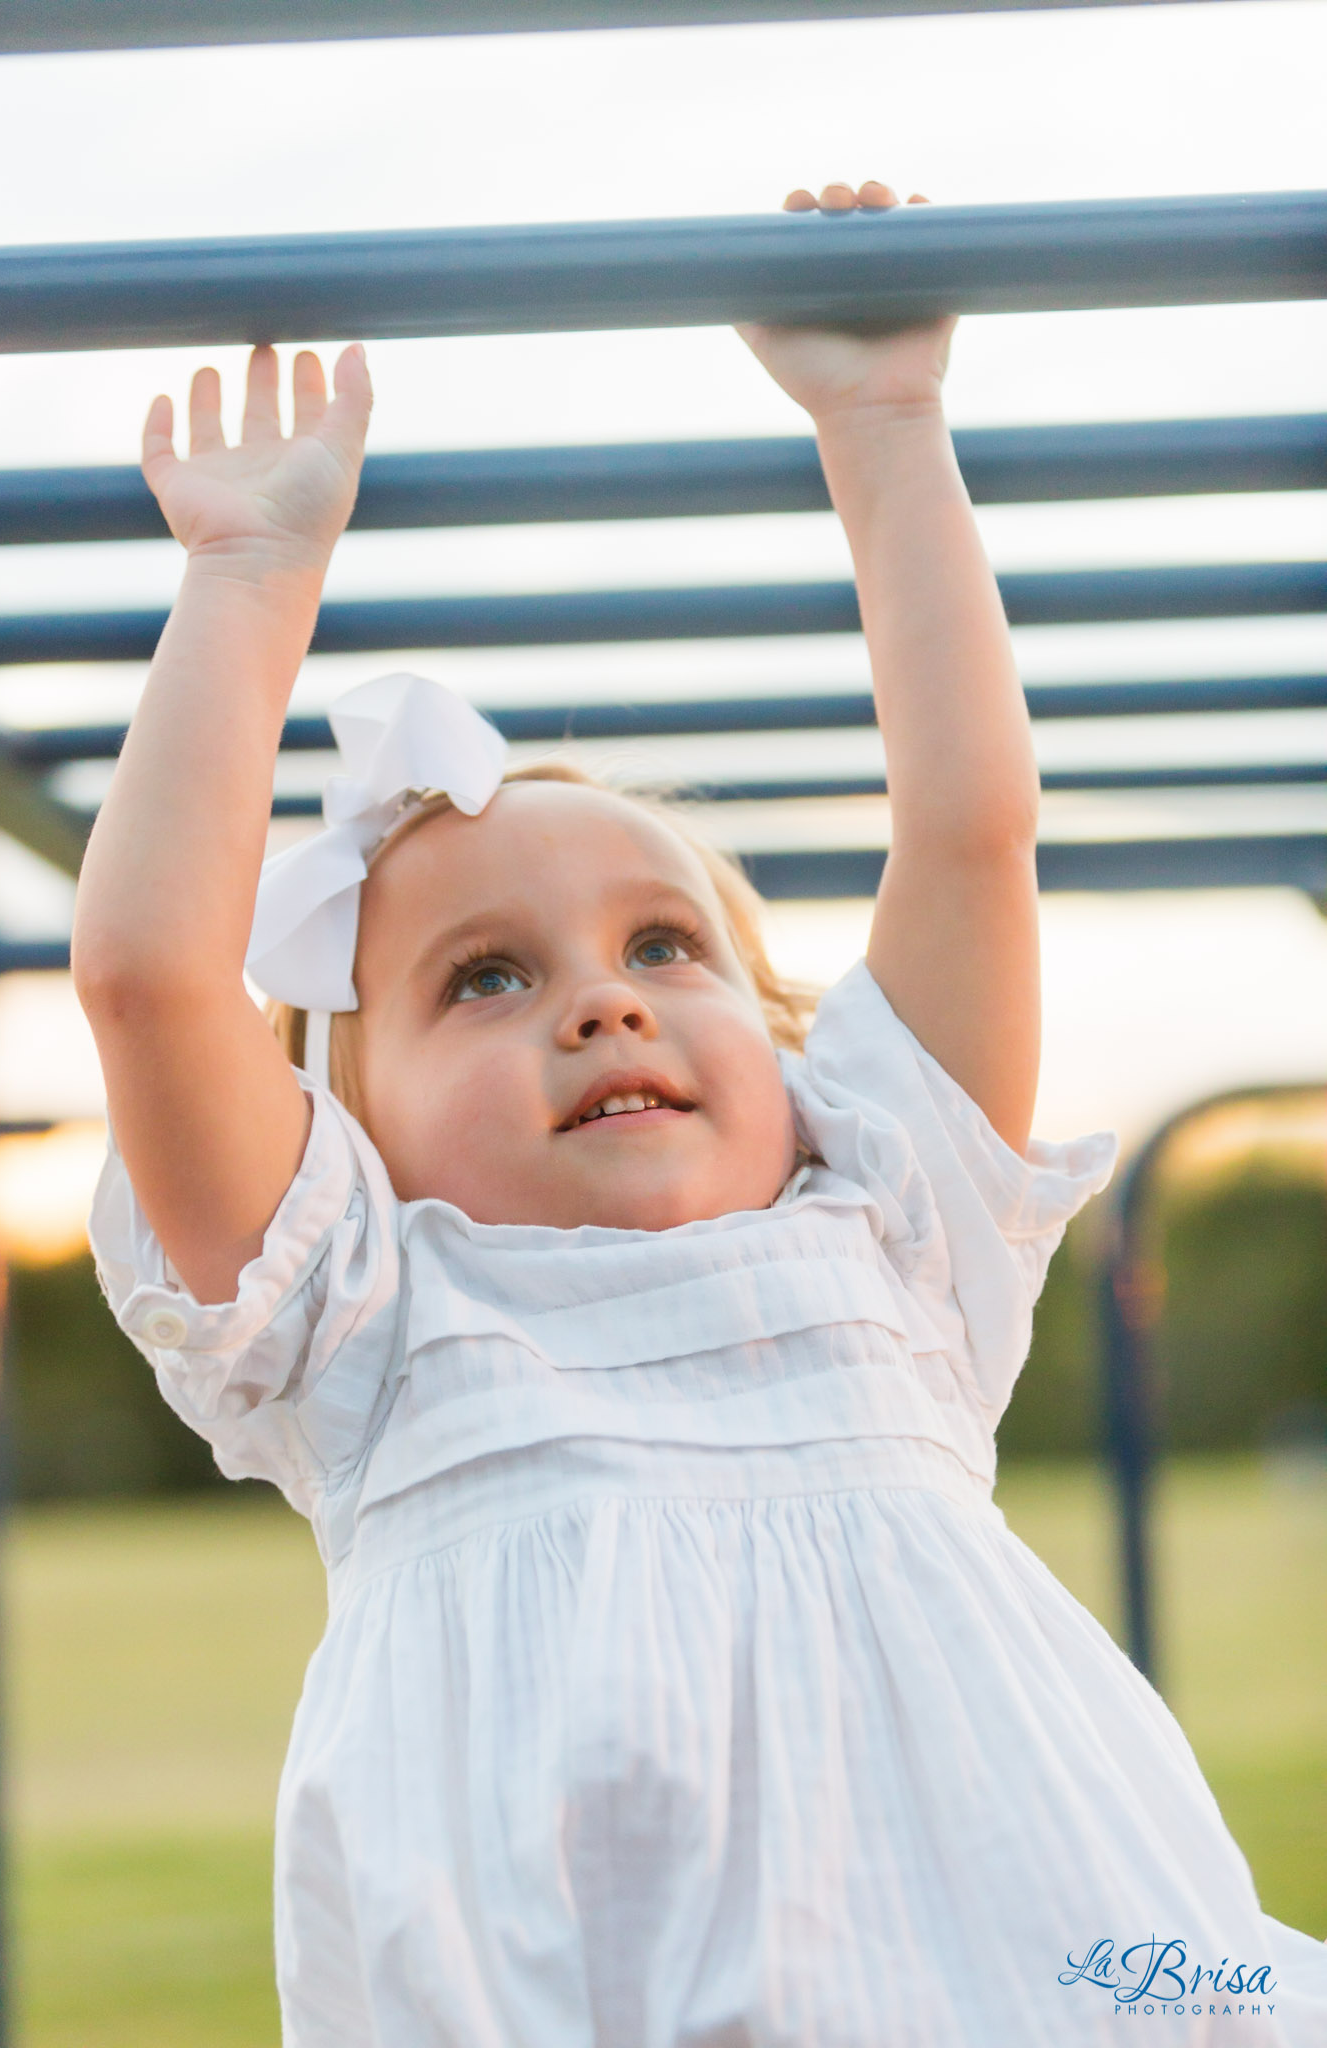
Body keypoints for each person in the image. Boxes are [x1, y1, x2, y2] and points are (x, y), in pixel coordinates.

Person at [74, 180, 1327, 2047]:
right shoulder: (375, 1320)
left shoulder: (885, 1233)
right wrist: (250, 578)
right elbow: (152, 981)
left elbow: (971, 830)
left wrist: (887, 430)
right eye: (480, 980)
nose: (600, 997)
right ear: (351, 1134)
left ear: (786, 1046)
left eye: (666, 946)